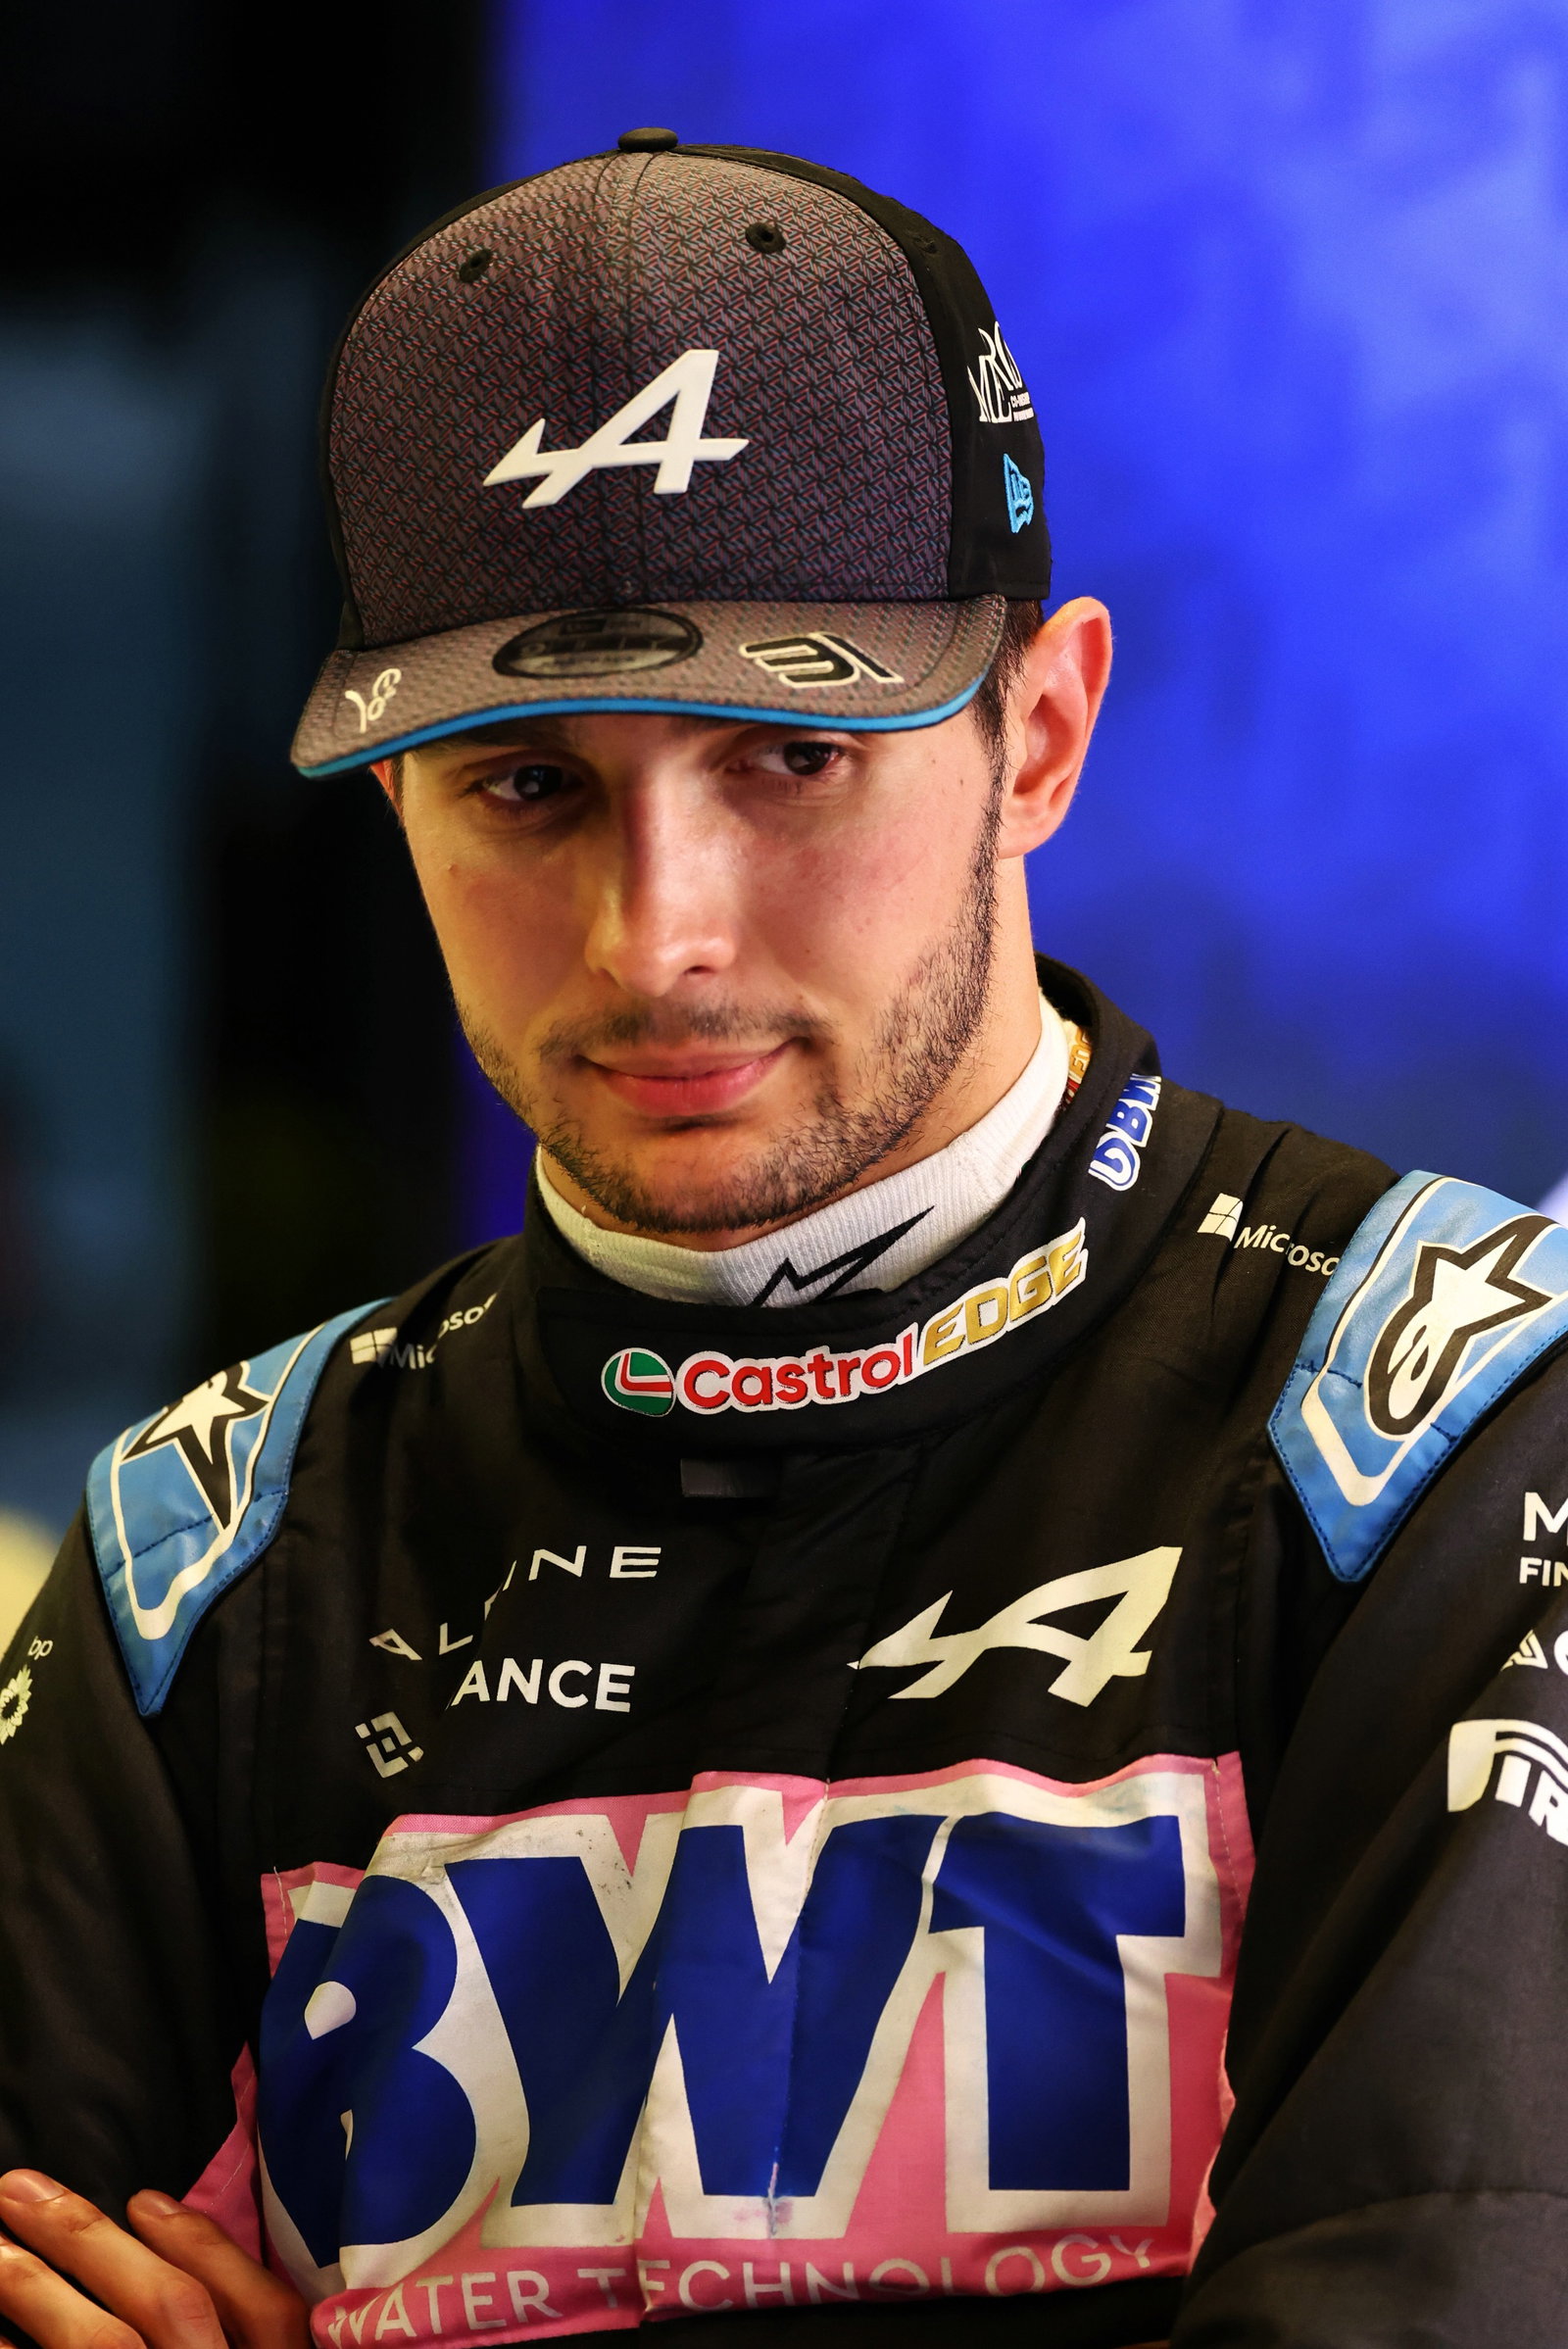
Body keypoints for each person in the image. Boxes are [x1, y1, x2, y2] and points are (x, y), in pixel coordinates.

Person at [2, 131, 1567, 2349]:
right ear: (396, 805)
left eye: (782, 754)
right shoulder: (208, 1549)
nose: (662, 935)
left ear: (1037, 731)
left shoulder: (1447, 1419)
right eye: (528, 784)